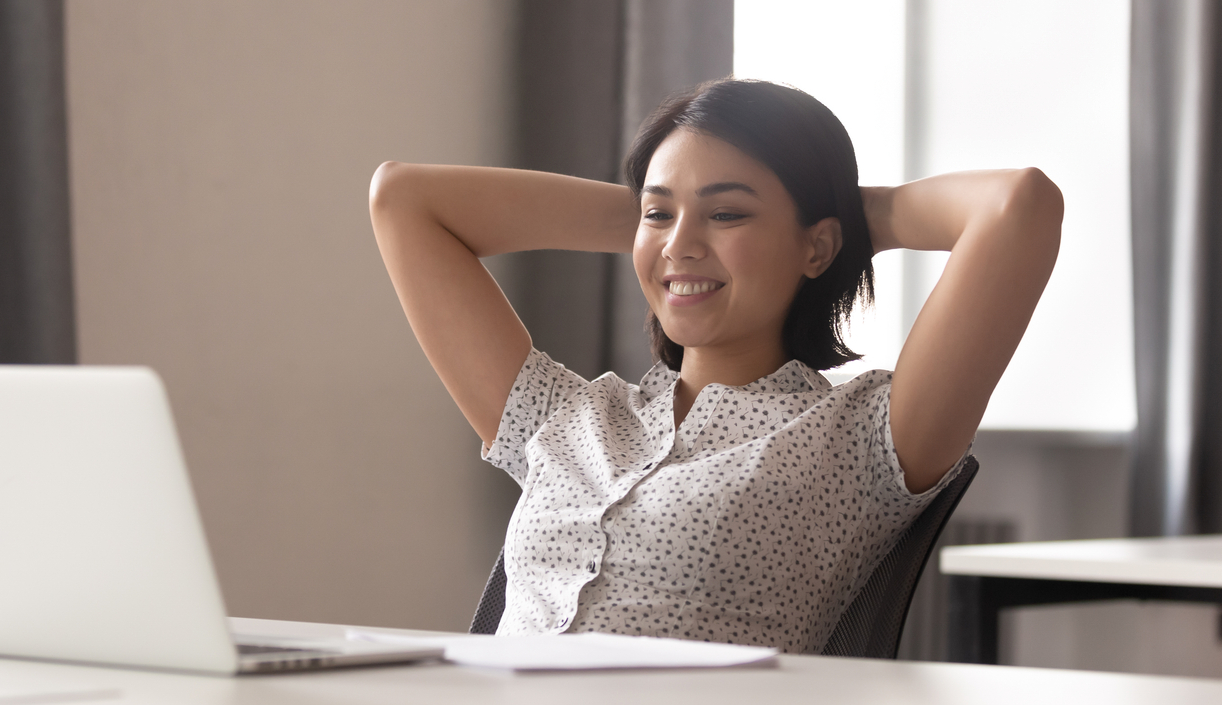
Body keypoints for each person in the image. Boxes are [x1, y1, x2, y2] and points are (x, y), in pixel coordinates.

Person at [367, 78, 1061, 653]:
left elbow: (1018, 205)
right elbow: (402, 199)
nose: (681, 244)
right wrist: (667, 228)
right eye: (658, 214)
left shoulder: (862, 440)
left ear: (818, 247)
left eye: (728, 213)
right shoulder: (565, 417)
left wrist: (839, 222)